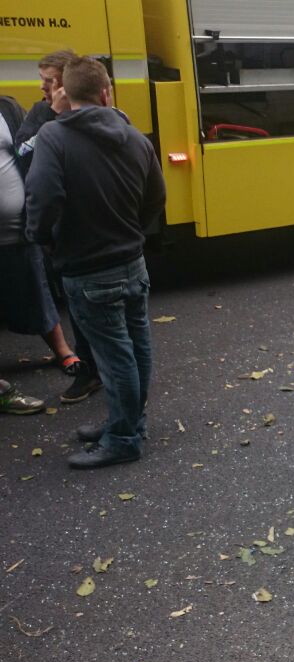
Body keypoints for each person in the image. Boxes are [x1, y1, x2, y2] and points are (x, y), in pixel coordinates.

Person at [26, 56, 166, 469]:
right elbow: (156, 197)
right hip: (132, 261)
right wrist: (132, 232)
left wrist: (45, 241)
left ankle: (123, 439)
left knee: (114, 357)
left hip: (87, 268)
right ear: (106, 93)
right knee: (137, 348)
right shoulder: (134, 136)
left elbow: (43, 199)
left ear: (65, 95)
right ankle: (128, 422)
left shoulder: (54, 137)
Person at [15, 49, 104, 404]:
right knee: (78, 304)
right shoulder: (40, 113)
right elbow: (23, 157)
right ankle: (91, 368)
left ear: (68, 83)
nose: (42, 87)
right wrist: (52, 114)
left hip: (97, 227)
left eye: (49, 81)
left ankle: (115, 379)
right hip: (64, 234)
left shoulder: (96, 115)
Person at [1, 89, 95, 401]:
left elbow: (25, 150)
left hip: (18, 227)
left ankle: (63, 351)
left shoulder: (7, 108)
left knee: (35, 288)